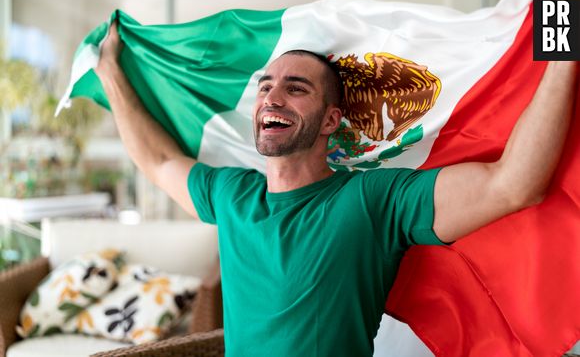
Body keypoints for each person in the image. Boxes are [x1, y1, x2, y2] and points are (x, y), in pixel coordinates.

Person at [95, 21, 577, 356]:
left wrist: (565, 38)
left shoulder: (372, 201)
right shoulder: (232, 194)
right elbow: (157, 162)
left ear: (331, 120)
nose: (272, 96)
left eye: (296, 88)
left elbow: (513, 186)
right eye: (266, 86)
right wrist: (110, 72)